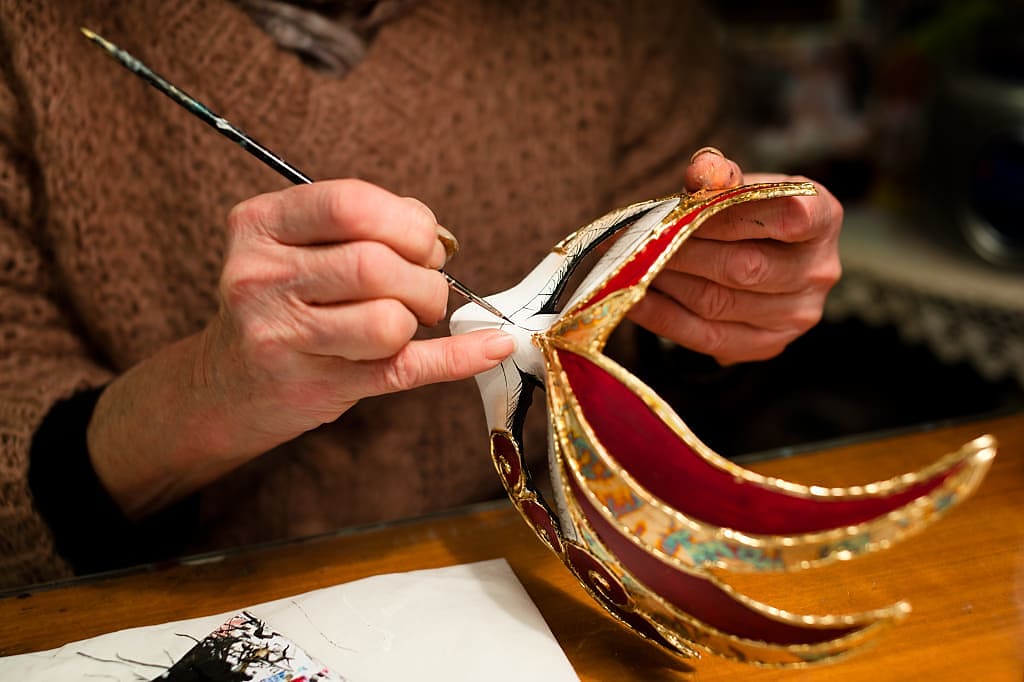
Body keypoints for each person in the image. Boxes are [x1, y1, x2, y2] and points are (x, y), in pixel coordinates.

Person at [0, 0, 842, 589]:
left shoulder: (626, 26)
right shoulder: (32, 41)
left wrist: (715, 307)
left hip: (525, 602)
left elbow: (672, 384)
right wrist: (208, 394)